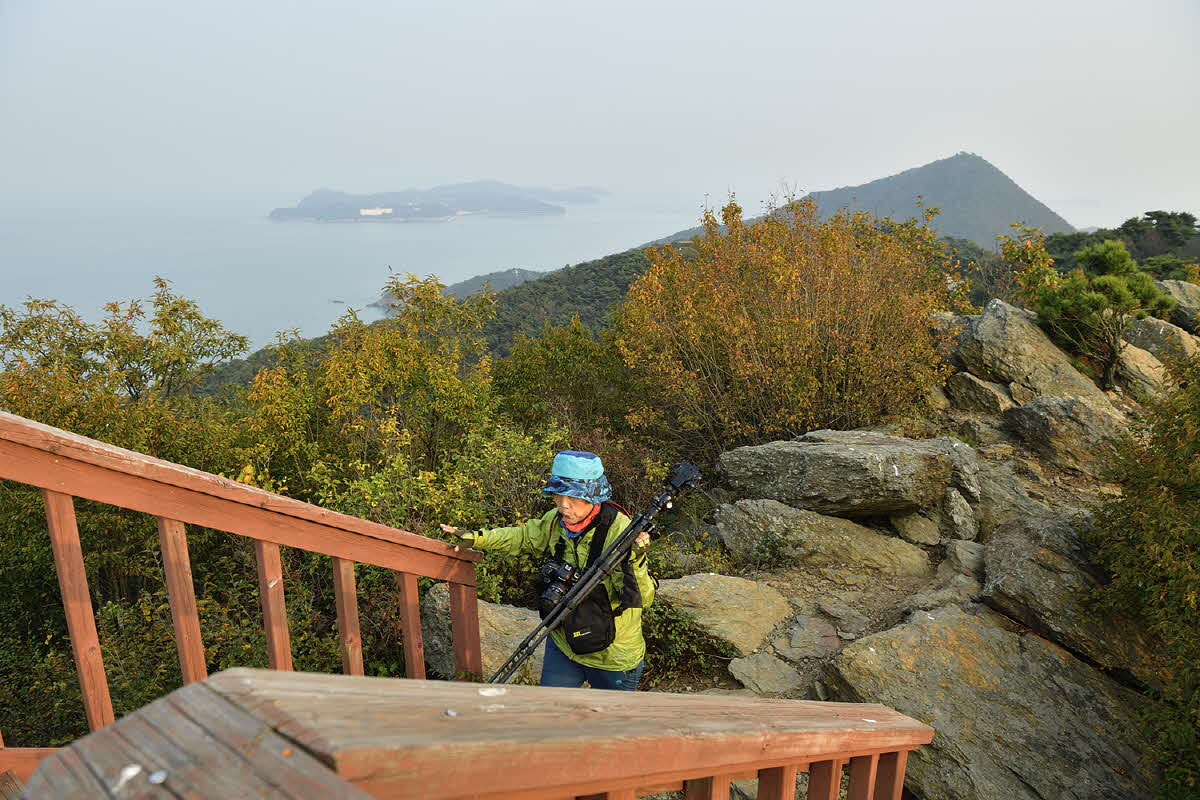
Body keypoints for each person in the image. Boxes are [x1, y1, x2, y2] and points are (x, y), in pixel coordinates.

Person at [439, 450, 654, 690]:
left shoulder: (621, 532)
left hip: (613, 655)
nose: (564, 505)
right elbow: (523, 536)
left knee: (610, 716)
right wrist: (477, 538)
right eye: (558, 495)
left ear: (594, 496)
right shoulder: (554, 521)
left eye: (574, 497)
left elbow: (642, 599)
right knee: (550, 710)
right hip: (564, 642)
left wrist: (635, 559)